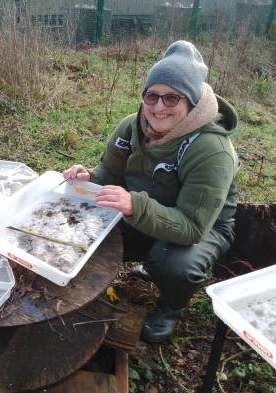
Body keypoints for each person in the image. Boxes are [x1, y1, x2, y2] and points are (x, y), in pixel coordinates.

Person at [62, 40, 238, 344]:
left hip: (203, 225)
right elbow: (110, 174)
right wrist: (89, 176)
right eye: (152, 96)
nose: (158, 107)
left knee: (172, 263)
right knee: (88, 221)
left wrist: (134, 207)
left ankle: (172, 306)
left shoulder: (212, 150)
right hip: (144, 207)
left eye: (172, 98)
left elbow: (193, 227)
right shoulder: (132, 127)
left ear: (192, 102)